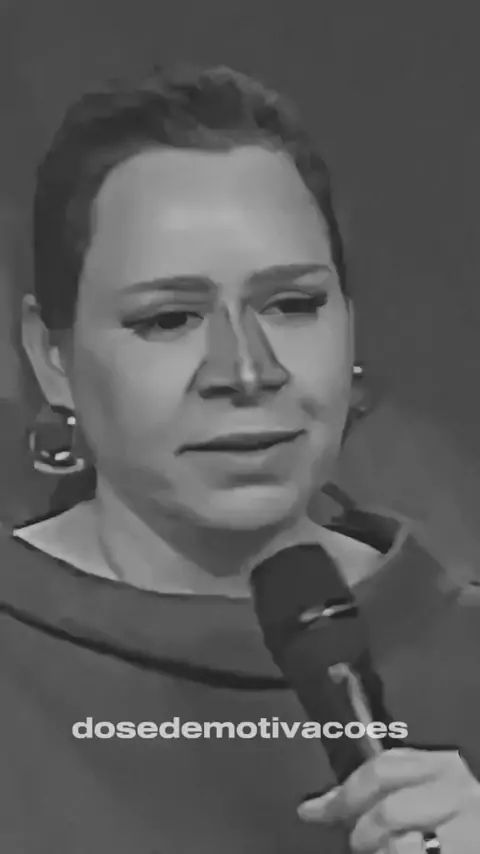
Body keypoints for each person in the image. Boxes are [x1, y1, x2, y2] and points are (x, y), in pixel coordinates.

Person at [0, 62, 479, 854]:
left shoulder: (459, 646)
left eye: (292, 305)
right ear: (51, 357)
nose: (247, 371)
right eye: (169, 319)